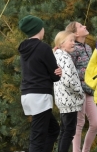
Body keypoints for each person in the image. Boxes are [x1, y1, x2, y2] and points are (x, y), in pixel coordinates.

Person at [18, 15, 63, 152]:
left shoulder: (24, 50)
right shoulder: (43, 48)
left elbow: (36, 64)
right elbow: (55, 76)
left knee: (53, 130)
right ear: (39, 29)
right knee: (37, 138)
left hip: (27, 95)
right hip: (40, 96)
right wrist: (58, 72)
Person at [65, 21, 97, 152]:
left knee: (96, 123)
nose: (85, 26)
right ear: (75, 33)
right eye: (81, 26)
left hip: (89, 90)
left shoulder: (88, 48)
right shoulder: (73, 48)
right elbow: (69, 69)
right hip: (78, 90)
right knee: (79, 123)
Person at [53, 31, 85, 152]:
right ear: (61, 43)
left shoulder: (58, 55)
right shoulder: (64, 57)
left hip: (63, 99)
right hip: (69, 100)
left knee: (64, 130)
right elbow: (67, 80)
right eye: (70, 41)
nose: (74, 43)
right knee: (69, 131)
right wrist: (79, 92)